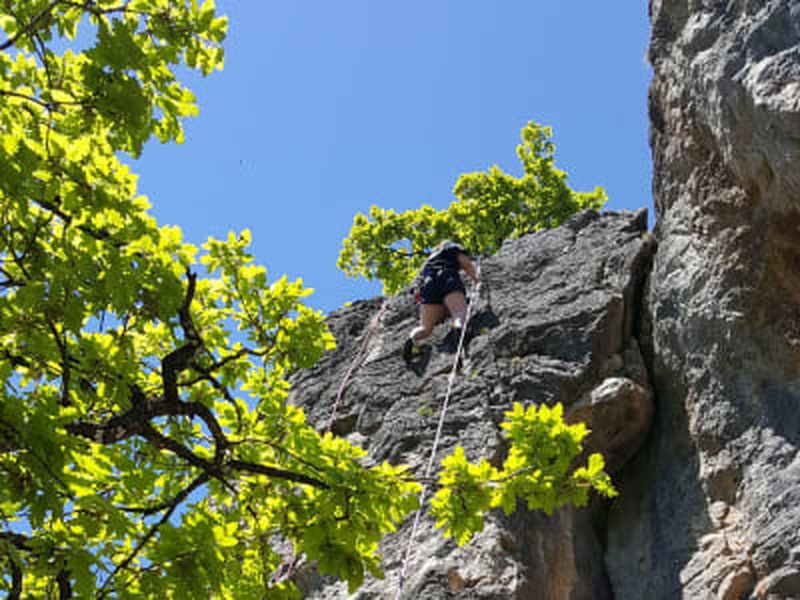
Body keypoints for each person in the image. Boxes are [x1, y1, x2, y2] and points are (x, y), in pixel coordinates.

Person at [403, 240, 479, 361]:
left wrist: (418, 294)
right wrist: (476, 280)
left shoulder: (429, 261)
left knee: (425, 328)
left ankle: (413, 340)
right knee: (458, 312)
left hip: (428, 285)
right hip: (447, 276)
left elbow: (417, 284)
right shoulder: (452, 248)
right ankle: (459, 330)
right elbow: (466, 264)